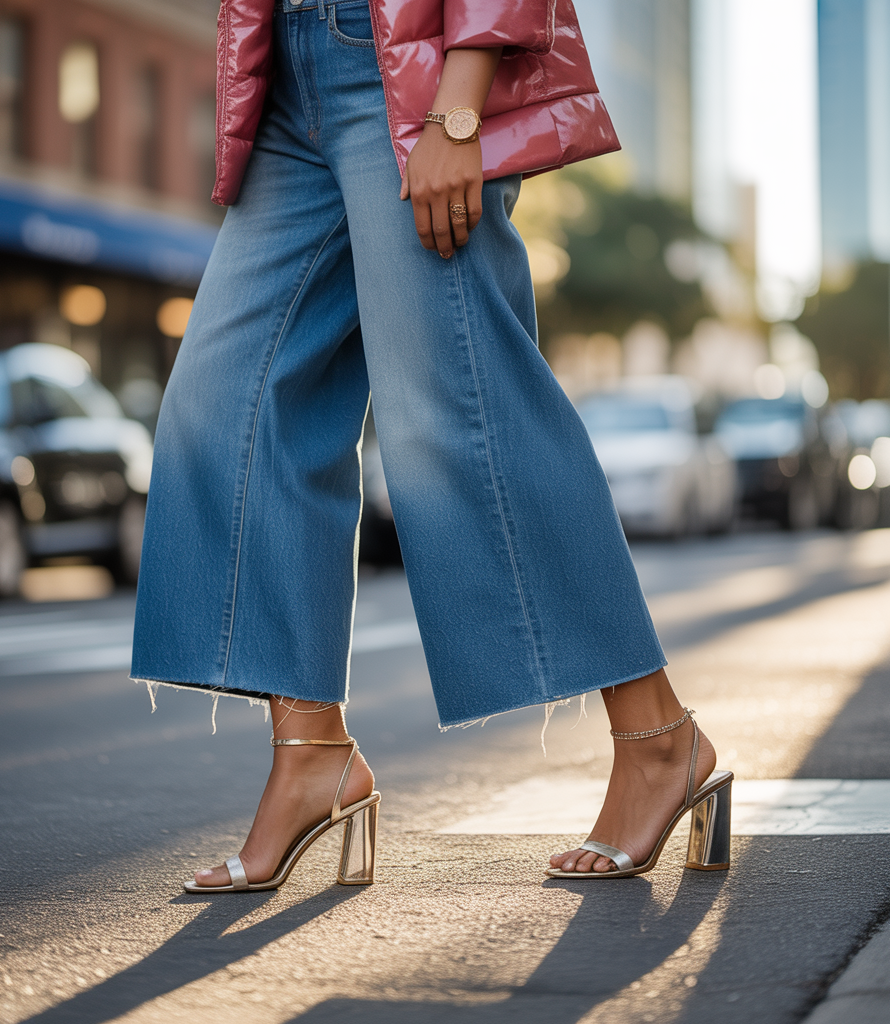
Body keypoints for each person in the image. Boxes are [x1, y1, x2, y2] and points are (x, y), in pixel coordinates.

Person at [131, 0, 732, 889]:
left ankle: (659, 741)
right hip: (282, 73)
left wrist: (457, 112)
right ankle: (311, 756)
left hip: (399, 67)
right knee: (222, 407)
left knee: (460, 412)